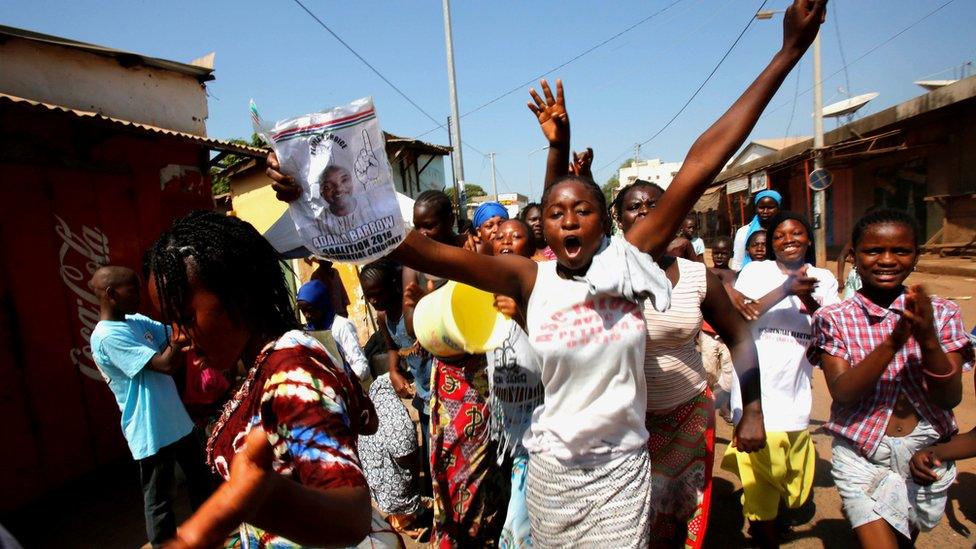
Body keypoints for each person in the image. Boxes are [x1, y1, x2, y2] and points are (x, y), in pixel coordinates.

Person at [268, 4, 825, 542]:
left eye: (582, 209)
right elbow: (420, 251)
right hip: (551, 479)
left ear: (606, 222)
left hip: (619, 479)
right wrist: (313, 196)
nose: (567, 219)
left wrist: (788, 52)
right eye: (555, 213)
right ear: (545, 231)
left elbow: (703, 161)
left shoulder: (626, 263)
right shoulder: (529, 280)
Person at [145, 211, 394, 549]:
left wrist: (251, 500)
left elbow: (352, 517)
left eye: (185, 318)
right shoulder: (271, 360)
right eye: (170, 322)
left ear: (241, 296)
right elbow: (366, 418)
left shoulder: (290, 369)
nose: (178, 338)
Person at [615, 181, 766, 548]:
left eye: (656, 204)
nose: (646, 212)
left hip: (687, 415)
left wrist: (753, 410)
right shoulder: (604, 277)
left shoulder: (698, 277)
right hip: (624, 423)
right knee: (630, 519)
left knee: (681, 516)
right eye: (635, 207)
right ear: (619, 220)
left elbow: (741, 338)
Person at [809, 209, 972, 548]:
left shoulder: (942, 312)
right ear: (854, 256)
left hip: (923, 449)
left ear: (915, 256)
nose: (887, 260)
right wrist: (895, 340)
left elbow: (948, 398)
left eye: (900, 251)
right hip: (862, 451)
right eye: (873, 251)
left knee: (905, 539)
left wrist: (927, 337)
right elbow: (843, 393)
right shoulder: (834, 318)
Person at [723, 211, 839, 547]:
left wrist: (804, 295)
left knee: (794, 484)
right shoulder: (757, 271)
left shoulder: (824, 278)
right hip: (755, 397)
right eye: (779, 236)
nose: (788, 240)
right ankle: (765, 534)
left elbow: (831, 328)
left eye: (796, 233)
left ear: (807, 237)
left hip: (796, 396)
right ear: (770, 243)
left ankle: (775, 517)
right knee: (762, 486)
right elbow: (743, 315)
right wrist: (785, 288)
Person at [89, 266, 213, 548]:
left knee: (201, 482)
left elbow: (174, 335)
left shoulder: (135, 321)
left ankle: (209, 534)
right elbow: (166, 363)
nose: (139, 296)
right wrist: (179, 337)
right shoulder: (107, 337)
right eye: (132, 289)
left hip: (178, 422)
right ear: (111, 294)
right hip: (150, 429)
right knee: (160, 501)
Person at [489, 218, 546, 549]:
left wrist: (522, 313)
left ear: (533, 244)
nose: (506, 241)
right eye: (499, 237)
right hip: (505, 423)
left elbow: (556, 349)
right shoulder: (486, 286)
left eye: (516, 235)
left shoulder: (543, 288)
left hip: (538, 415)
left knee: (518, 519)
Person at [358, 259, 434, 500]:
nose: (375, 300)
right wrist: (394, 370)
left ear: (394, 284)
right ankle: (433, 500)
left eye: (379, 294)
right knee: (430, 450)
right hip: (422, 391)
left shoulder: (412, 308)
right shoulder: (383, 317)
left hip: (439, 385)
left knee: (441, 447)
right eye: (369, 296)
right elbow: (392, 346)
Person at [358, 371, 428, 538]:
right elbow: (405, 455)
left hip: (375, 479)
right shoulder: (396, 415)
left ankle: (400, 520)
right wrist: (415, 466)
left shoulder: (375, 396)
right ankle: (407, 522)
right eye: (408, 385)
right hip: (391, 485)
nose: (410, 389)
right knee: (405, 485)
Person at [296, 279, 371, 382]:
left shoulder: (341, 326)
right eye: (303, 311)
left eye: (310, 309)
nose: (307, 315)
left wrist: (344, 382)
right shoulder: (306, 333)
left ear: (322, 304)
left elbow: (361, 367)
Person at [731, 190, 782, 270]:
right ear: (756, 208)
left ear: (778, 208)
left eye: (770, 208)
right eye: (761, 207)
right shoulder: (743, 232)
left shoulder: (784, 231)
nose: (765, 211)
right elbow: (738, 262)